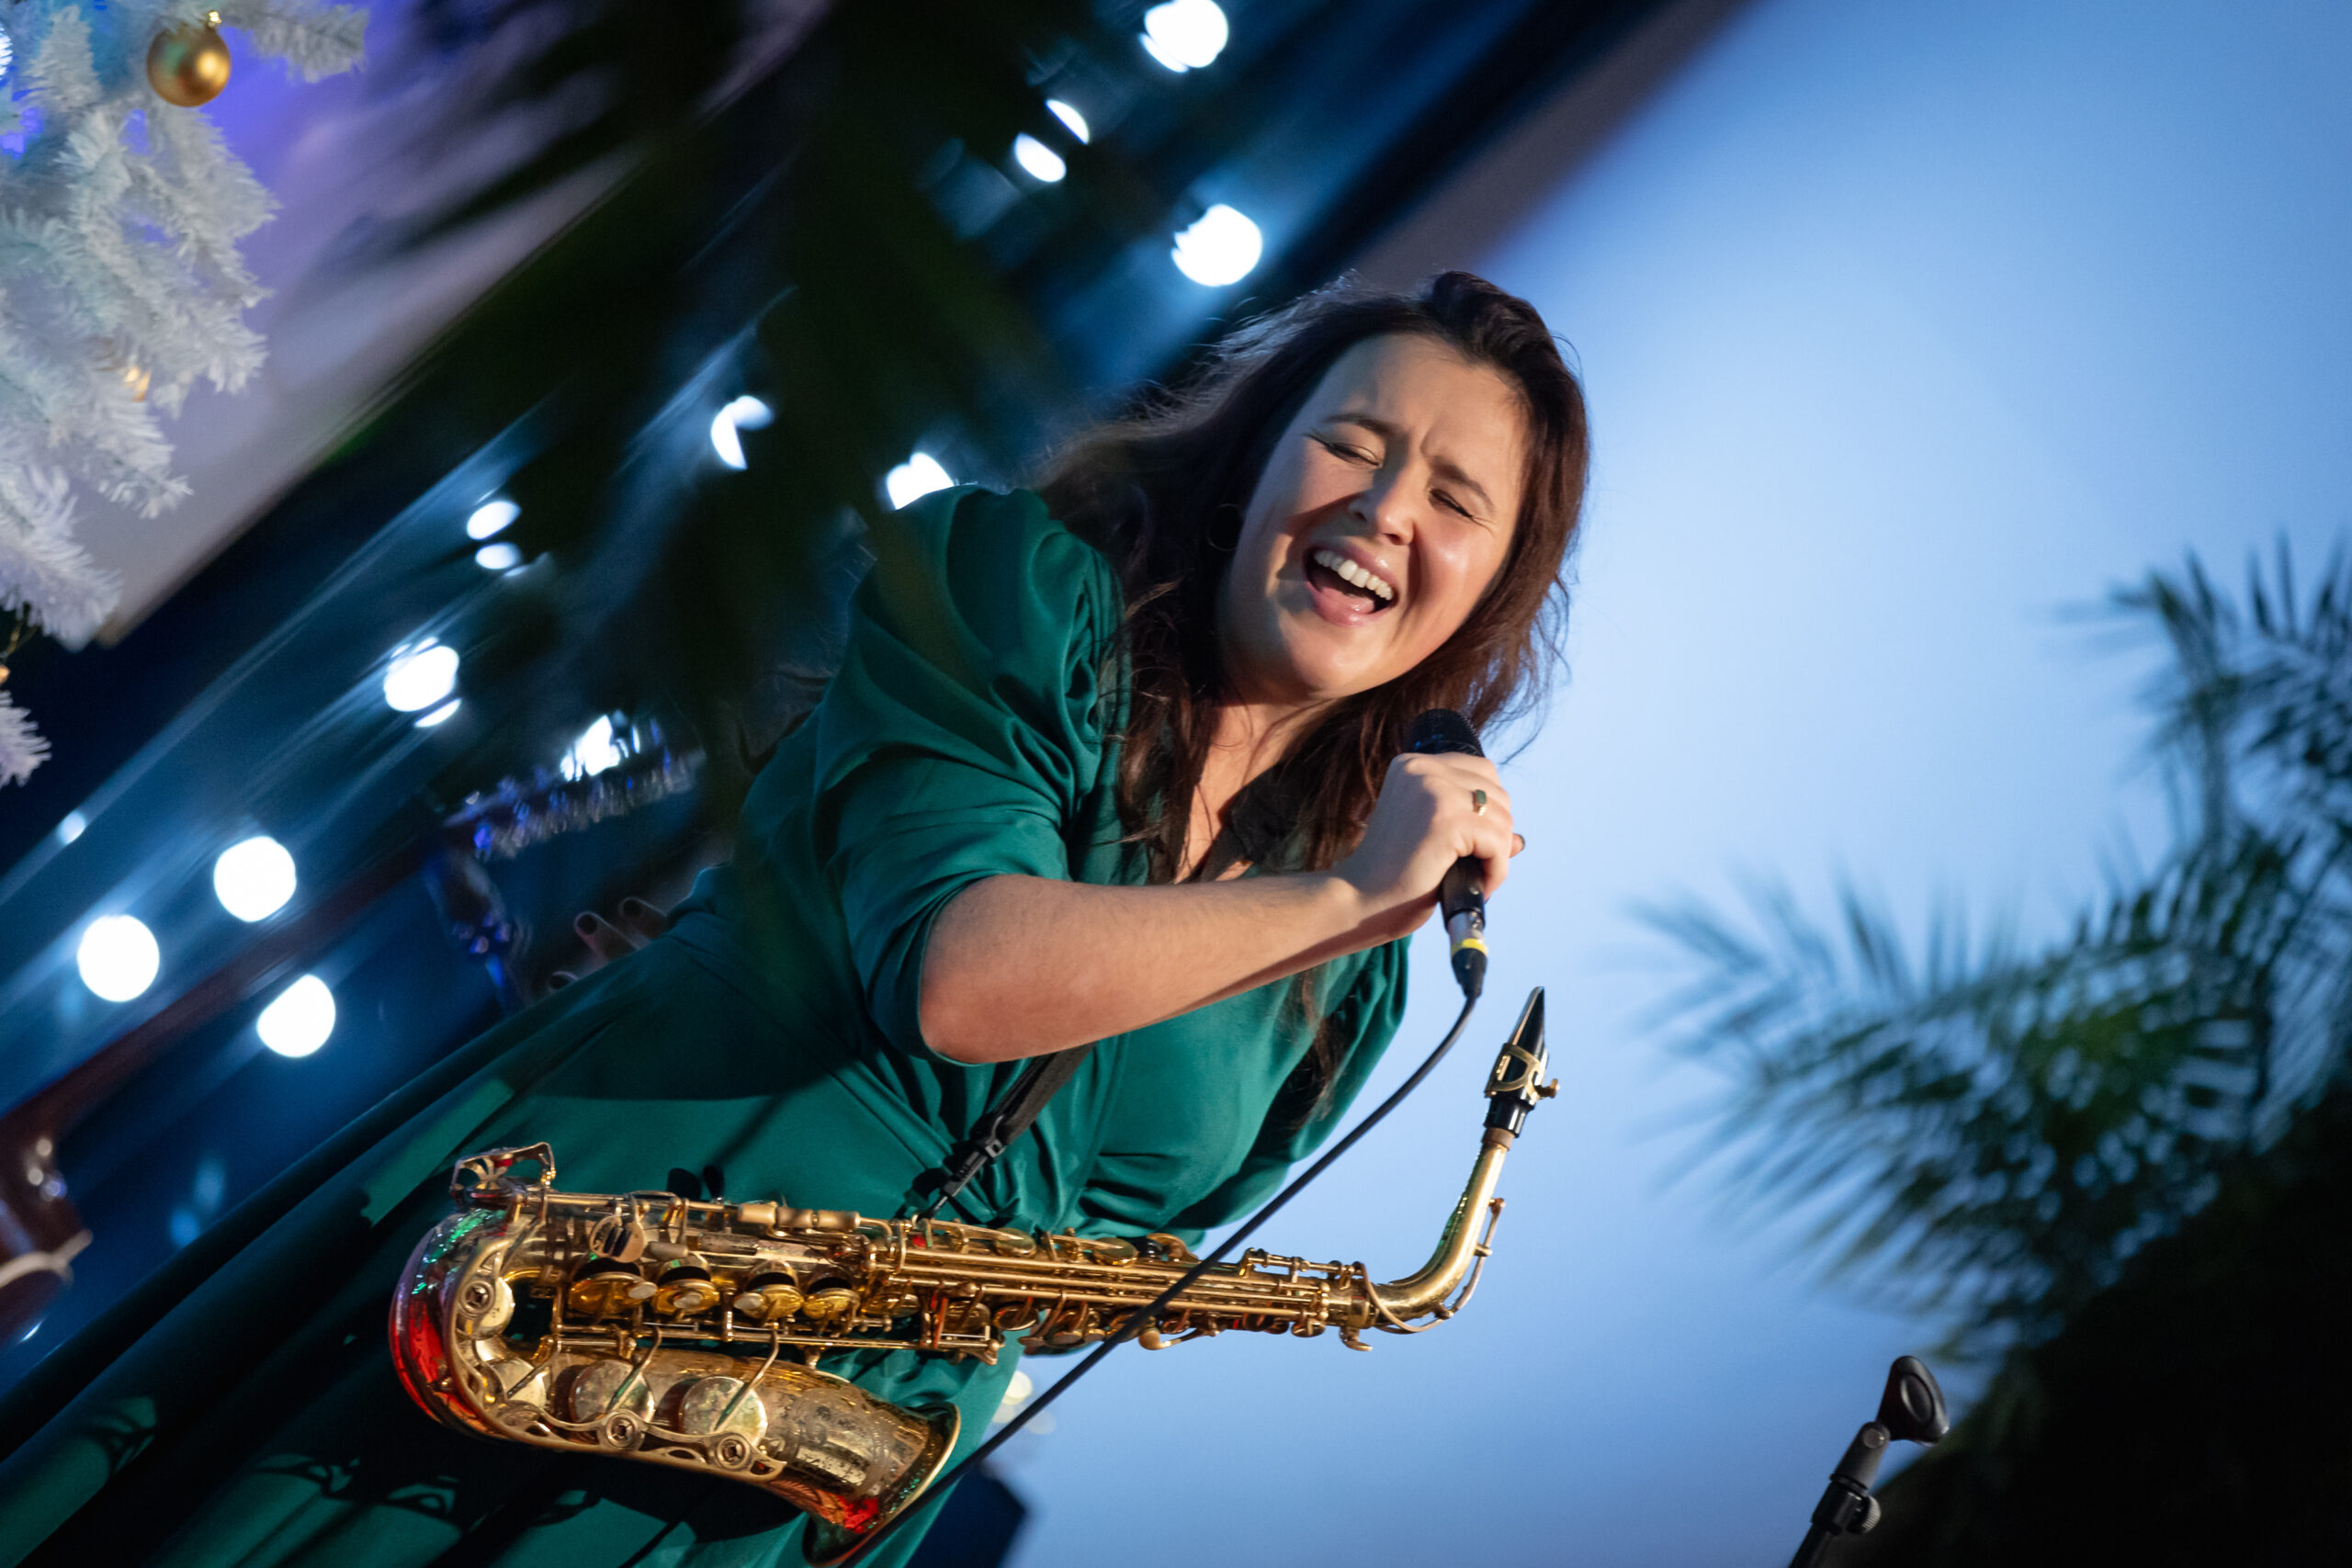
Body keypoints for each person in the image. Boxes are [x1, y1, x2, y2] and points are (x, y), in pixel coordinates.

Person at [0, 271, 1587, 1567]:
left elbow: (1110, 1270)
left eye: (1455, 497)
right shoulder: (1014, 583)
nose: (1387, 507)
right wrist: (1341, 897)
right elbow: (961, 977)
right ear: (1256, 460)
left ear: (1494, 583)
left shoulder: (1357, 983)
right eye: (1350, 443)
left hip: (801, 1462)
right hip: (571, 1251)